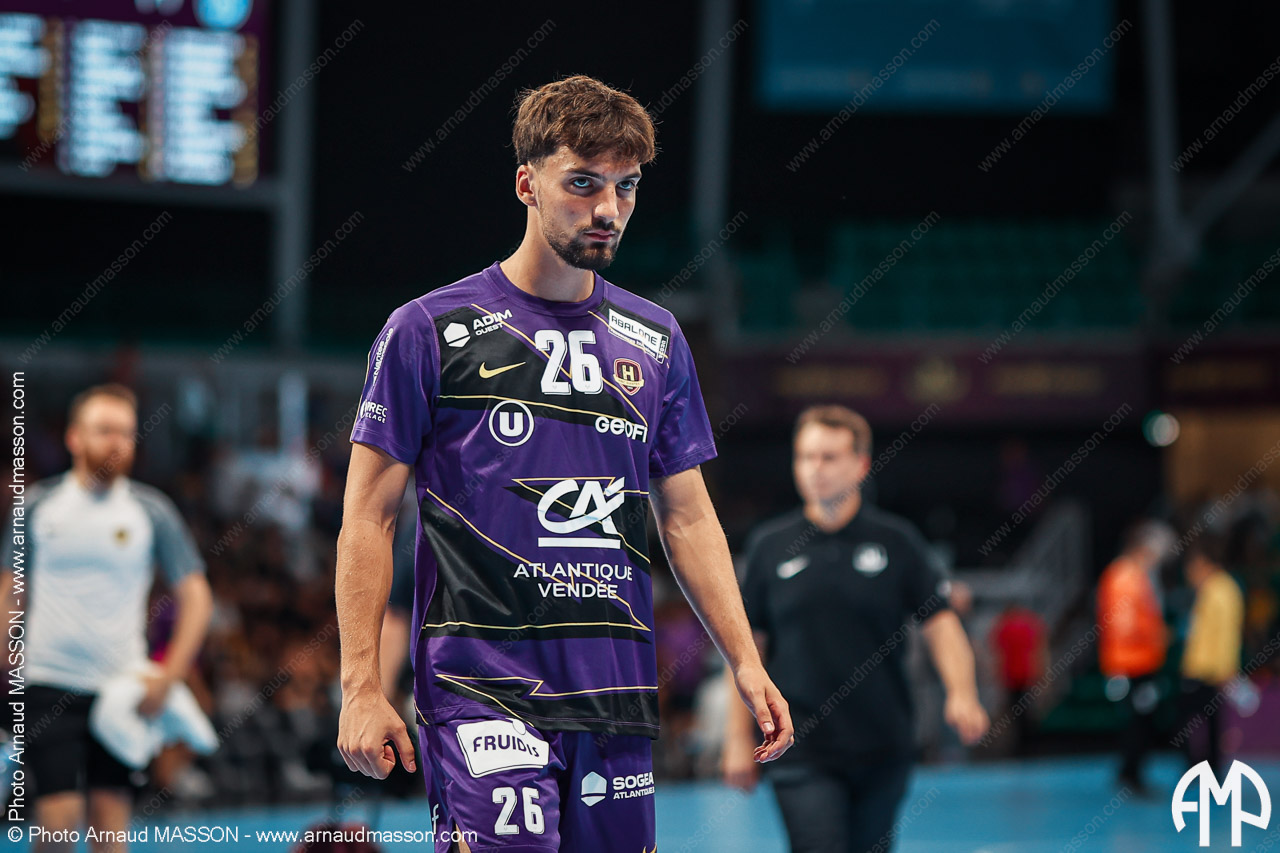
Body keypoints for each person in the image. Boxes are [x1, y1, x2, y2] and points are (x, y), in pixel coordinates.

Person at [334, 75, 793, 852]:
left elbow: (688, 517)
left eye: (626, 185)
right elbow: (367, 517)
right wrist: (359, 685)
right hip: (481, 689)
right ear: (527, 184)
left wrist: (743, 660)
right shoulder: (426, 330)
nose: (608, 208)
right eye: (583, 183)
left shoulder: (657, 340)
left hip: (615, 697)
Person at [724, 405, 988, 853]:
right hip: (799, 746)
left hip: (883, 746)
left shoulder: (897, 542)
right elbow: (748, 651)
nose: (815, 469)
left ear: (861, 465)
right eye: (805, 457)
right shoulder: (770, 547)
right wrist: (736, 739)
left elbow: (941, 624)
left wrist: (962, 692)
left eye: (829, 457)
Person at [1, 384, 212, 851]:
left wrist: (170, 675)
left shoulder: (151, 511)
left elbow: (197, 596)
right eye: (105, 431)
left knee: (109, 829)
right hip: (48, 680)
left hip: (121, 690)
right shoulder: (36, 506)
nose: (117, 442)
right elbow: (11, 590)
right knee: (56, 827)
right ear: (74, 437)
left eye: (126, 433)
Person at [1096, 520, 1174, 794]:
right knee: (1137, 722)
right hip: (1131, 663)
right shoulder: (1124, 576)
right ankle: (1131, 776)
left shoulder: (1136, 575)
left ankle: (1132, 773)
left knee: (1142, 721)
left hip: (1141, 660)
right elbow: (1124, 625)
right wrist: (1155, 634)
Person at [1178, 532, 1244, 775]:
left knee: (1197, 721)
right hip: (1202, 668)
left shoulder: (1221, 590)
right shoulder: (1213, 589)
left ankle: (1206, 769)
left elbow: (1227, 634)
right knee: (1209, 722)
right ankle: (1205, 769)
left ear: (1203, 563)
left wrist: (1225, 670)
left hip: (1207, 670)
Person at [989, 604, 1047, 756]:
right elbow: (1038, 650)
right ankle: (1030, 744)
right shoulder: (1029, 624)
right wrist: (1040, 672)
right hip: (1026, 674)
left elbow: (999, 654)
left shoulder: (1003, 626)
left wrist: (997, 675)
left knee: (1016, 713)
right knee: (1028, 711)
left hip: (1011, 675)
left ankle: (1020, 746)